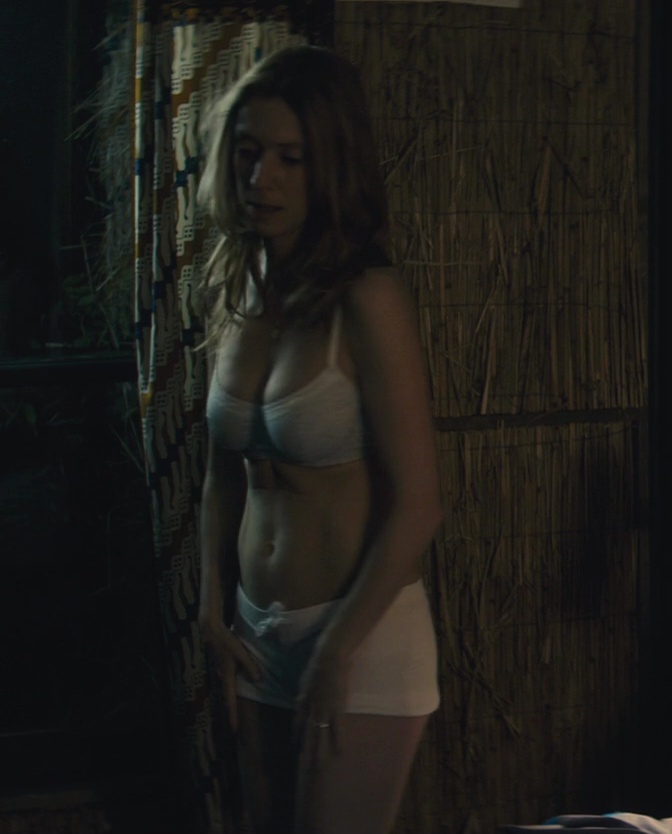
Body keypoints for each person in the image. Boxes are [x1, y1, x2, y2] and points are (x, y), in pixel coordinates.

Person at [194, 45, 442, 834]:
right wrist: (210, 609)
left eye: (288, 158)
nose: (260, 177)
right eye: (247, 153)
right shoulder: (241, 289)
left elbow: (420, 503)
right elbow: (223, 475)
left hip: (359, 633)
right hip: (254, 634)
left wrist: (336, 648)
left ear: (329, 165)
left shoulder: (367, 299)